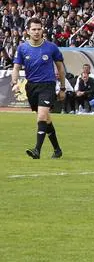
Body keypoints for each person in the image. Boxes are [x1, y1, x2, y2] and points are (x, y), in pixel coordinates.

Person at [9, 18, 65, 159]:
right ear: (27, 31)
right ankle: (57, 150)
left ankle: (37, 150)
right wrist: (14, 82)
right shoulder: (22, 48)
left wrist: (62, 88)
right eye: (33, 29)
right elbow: (16, 68)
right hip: (31, 87)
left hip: (48, 85)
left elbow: (60, 68)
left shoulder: (51, 47)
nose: (36, 32)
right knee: (45, 119)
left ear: (42, 30)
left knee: (41, 116)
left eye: (39, 29)